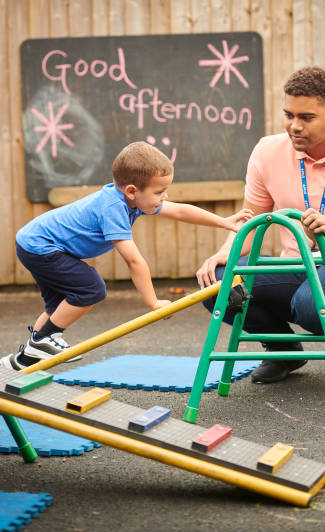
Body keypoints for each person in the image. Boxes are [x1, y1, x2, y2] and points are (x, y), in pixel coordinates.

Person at [197, 66, 325, 383]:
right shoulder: (267, 151)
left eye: (306, 117)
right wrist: (227, 253)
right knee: (217, 285)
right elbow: (251, 224)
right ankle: (285, 350)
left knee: (311, 303)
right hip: (295, 266)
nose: (294, 126)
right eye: (288, 115)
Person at [1, 141, 253, 371]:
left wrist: (224, 222)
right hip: (41, 246)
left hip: (35, 243)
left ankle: (23, 361)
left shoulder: (132, 200)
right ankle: (42, 340)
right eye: (159, 192)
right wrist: (154, 303)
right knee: (91, 288)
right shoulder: (113, 208)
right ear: (132, 190)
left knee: (59, 307)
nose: (164, 197)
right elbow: (133, 261)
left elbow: (180, 212)